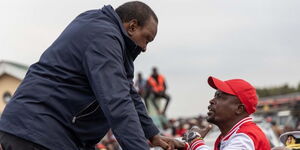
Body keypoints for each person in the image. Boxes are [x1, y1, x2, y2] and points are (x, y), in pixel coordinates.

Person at [0, 1, 184, 150]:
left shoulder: (101, 28)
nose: (144, 48)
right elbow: (117, 102)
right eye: (146, 39)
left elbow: (127, 92)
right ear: (132, 26)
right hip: (38, 132)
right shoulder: (103, 38)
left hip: (49, 132)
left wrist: (152, 134)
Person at [182, 76, 271, 150]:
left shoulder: (246, 136)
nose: (211, 101)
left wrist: (194, 139)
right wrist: (185, 146)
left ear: (239, 108)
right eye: (215, 96)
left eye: (219, 96)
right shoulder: (228, 136)